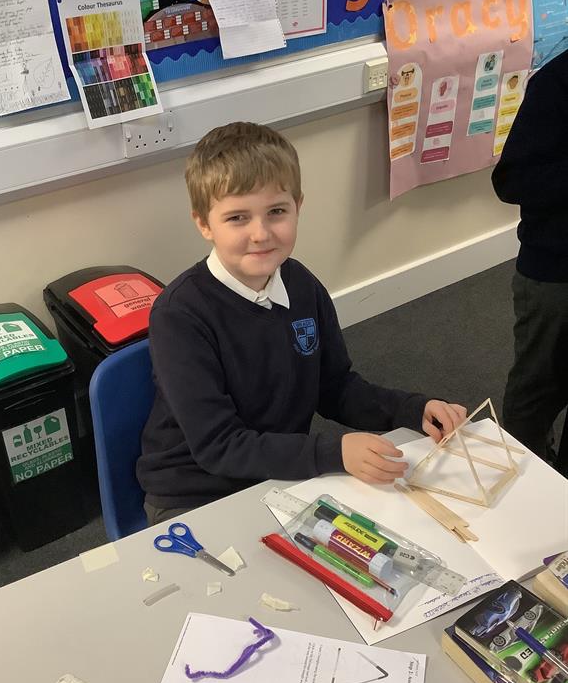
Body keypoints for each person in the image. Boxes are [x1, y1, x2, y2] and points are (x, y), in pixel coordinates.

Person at [137, 122, 467, 524]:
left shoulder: (302, 285)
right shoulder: (180, 314)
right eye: (237, 217)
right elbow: (218, 446)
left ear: (298, 207)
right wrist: (332, 453)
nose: (261, 234)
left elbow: (335, 387)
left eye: (276, 212)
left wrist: (410, 410)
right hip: (196, 490)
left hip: (280, 469)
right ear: (204, 223)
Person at [492, 48, 568, 476]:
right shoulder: (556, 84)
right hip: (555, 273)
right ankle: (526, 475)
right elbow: (511, 180)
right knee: (537, 388)